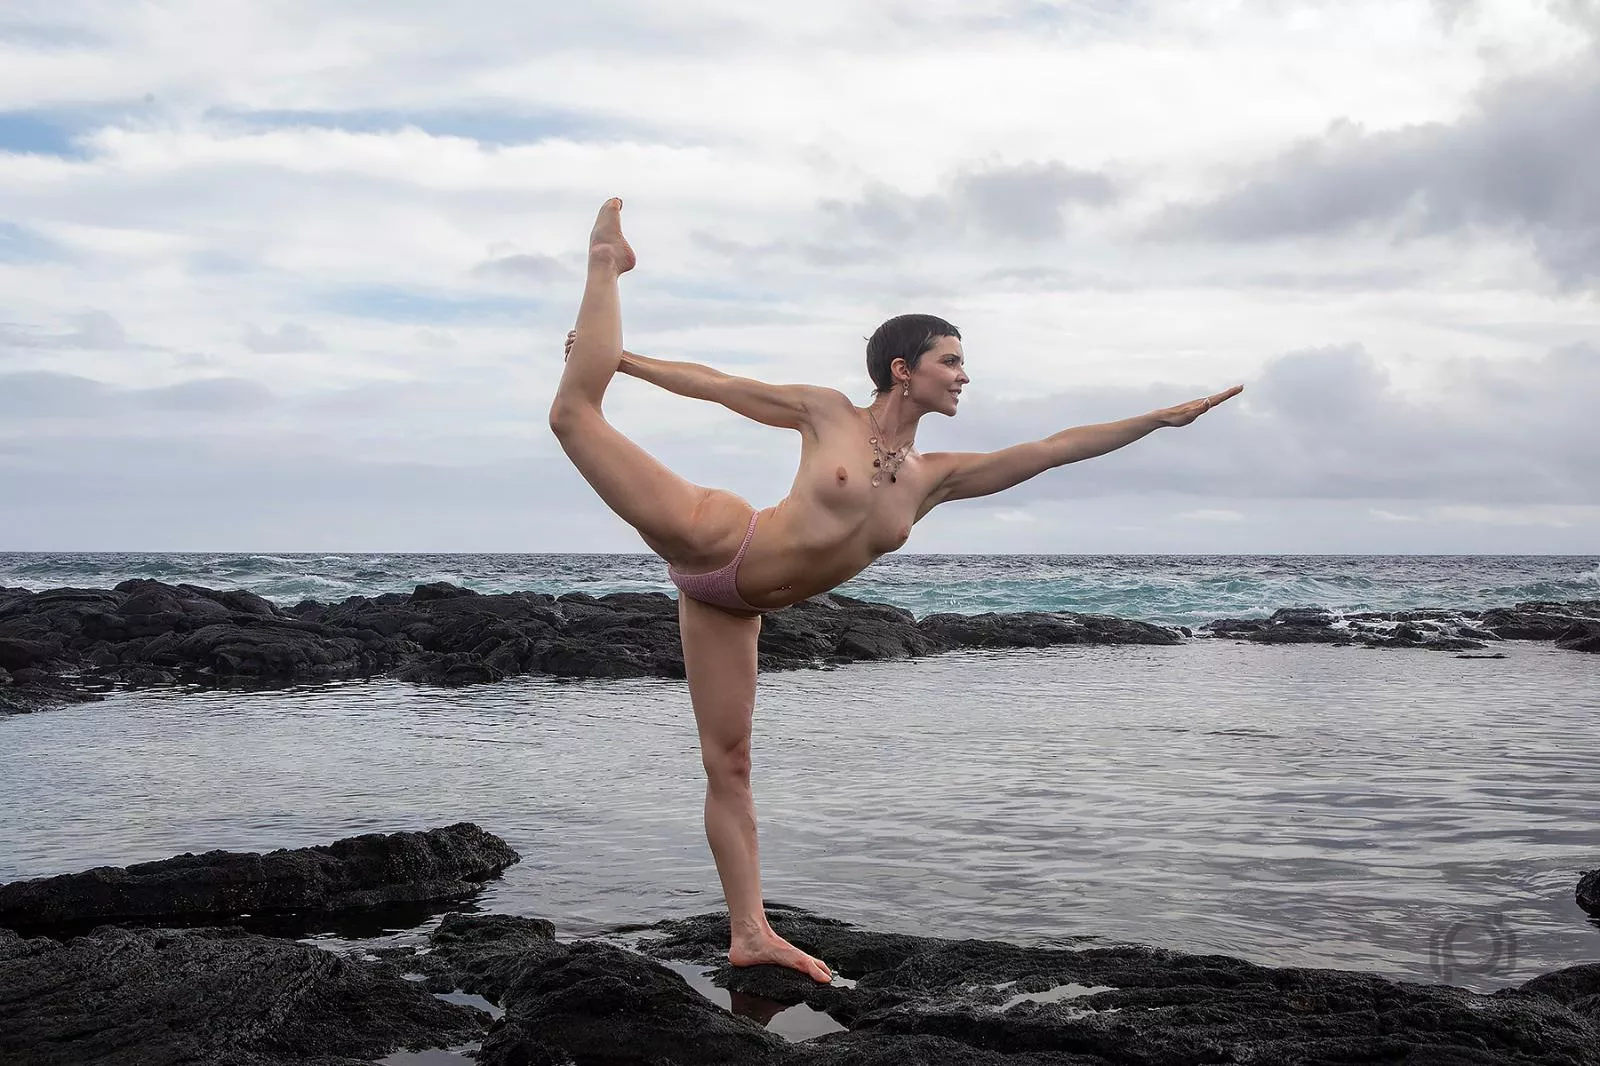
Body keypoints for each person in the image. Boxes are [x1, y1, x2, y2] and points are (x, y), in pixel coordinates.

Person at [549, 198, 1242, 984]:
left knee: (731, 765)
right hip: (717, 537)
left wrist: (1157, 419)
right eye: (951, 361)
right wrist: (627, 362)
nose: (964, 376)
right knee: (574, 412)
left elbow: (1052, 450)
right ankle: (608, 260)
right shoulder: (825, 413)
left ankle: (750, 932)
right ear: (903, 370)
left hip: (731, 605)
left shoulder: (935, 479)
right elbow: (720, 385)